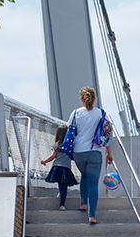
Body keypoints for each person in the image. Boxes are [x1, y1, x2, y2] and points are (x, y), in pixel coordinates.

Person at [67, 86, 114, 225]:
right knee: (93, 183)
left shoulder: (75, 113)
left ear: (81, 99)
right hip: (95, 152)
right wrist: (109, 154)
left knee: (84, 176)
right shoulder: (102, 113)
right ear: (94, 99)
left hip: (79, 153)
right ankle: (91, 216)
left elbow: (69, 131)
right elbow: (108, 134)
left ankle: (83, 204)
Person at [40, 124, 78, 209]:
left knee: (61, 183)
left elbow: (53, 156)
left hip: (57, 167)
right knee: (64, 186)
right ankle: (62, 204)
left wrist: (44, 161)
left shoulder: (56, 145)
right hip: (66, 168)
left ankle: (60, 194)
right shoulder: (70, 145)